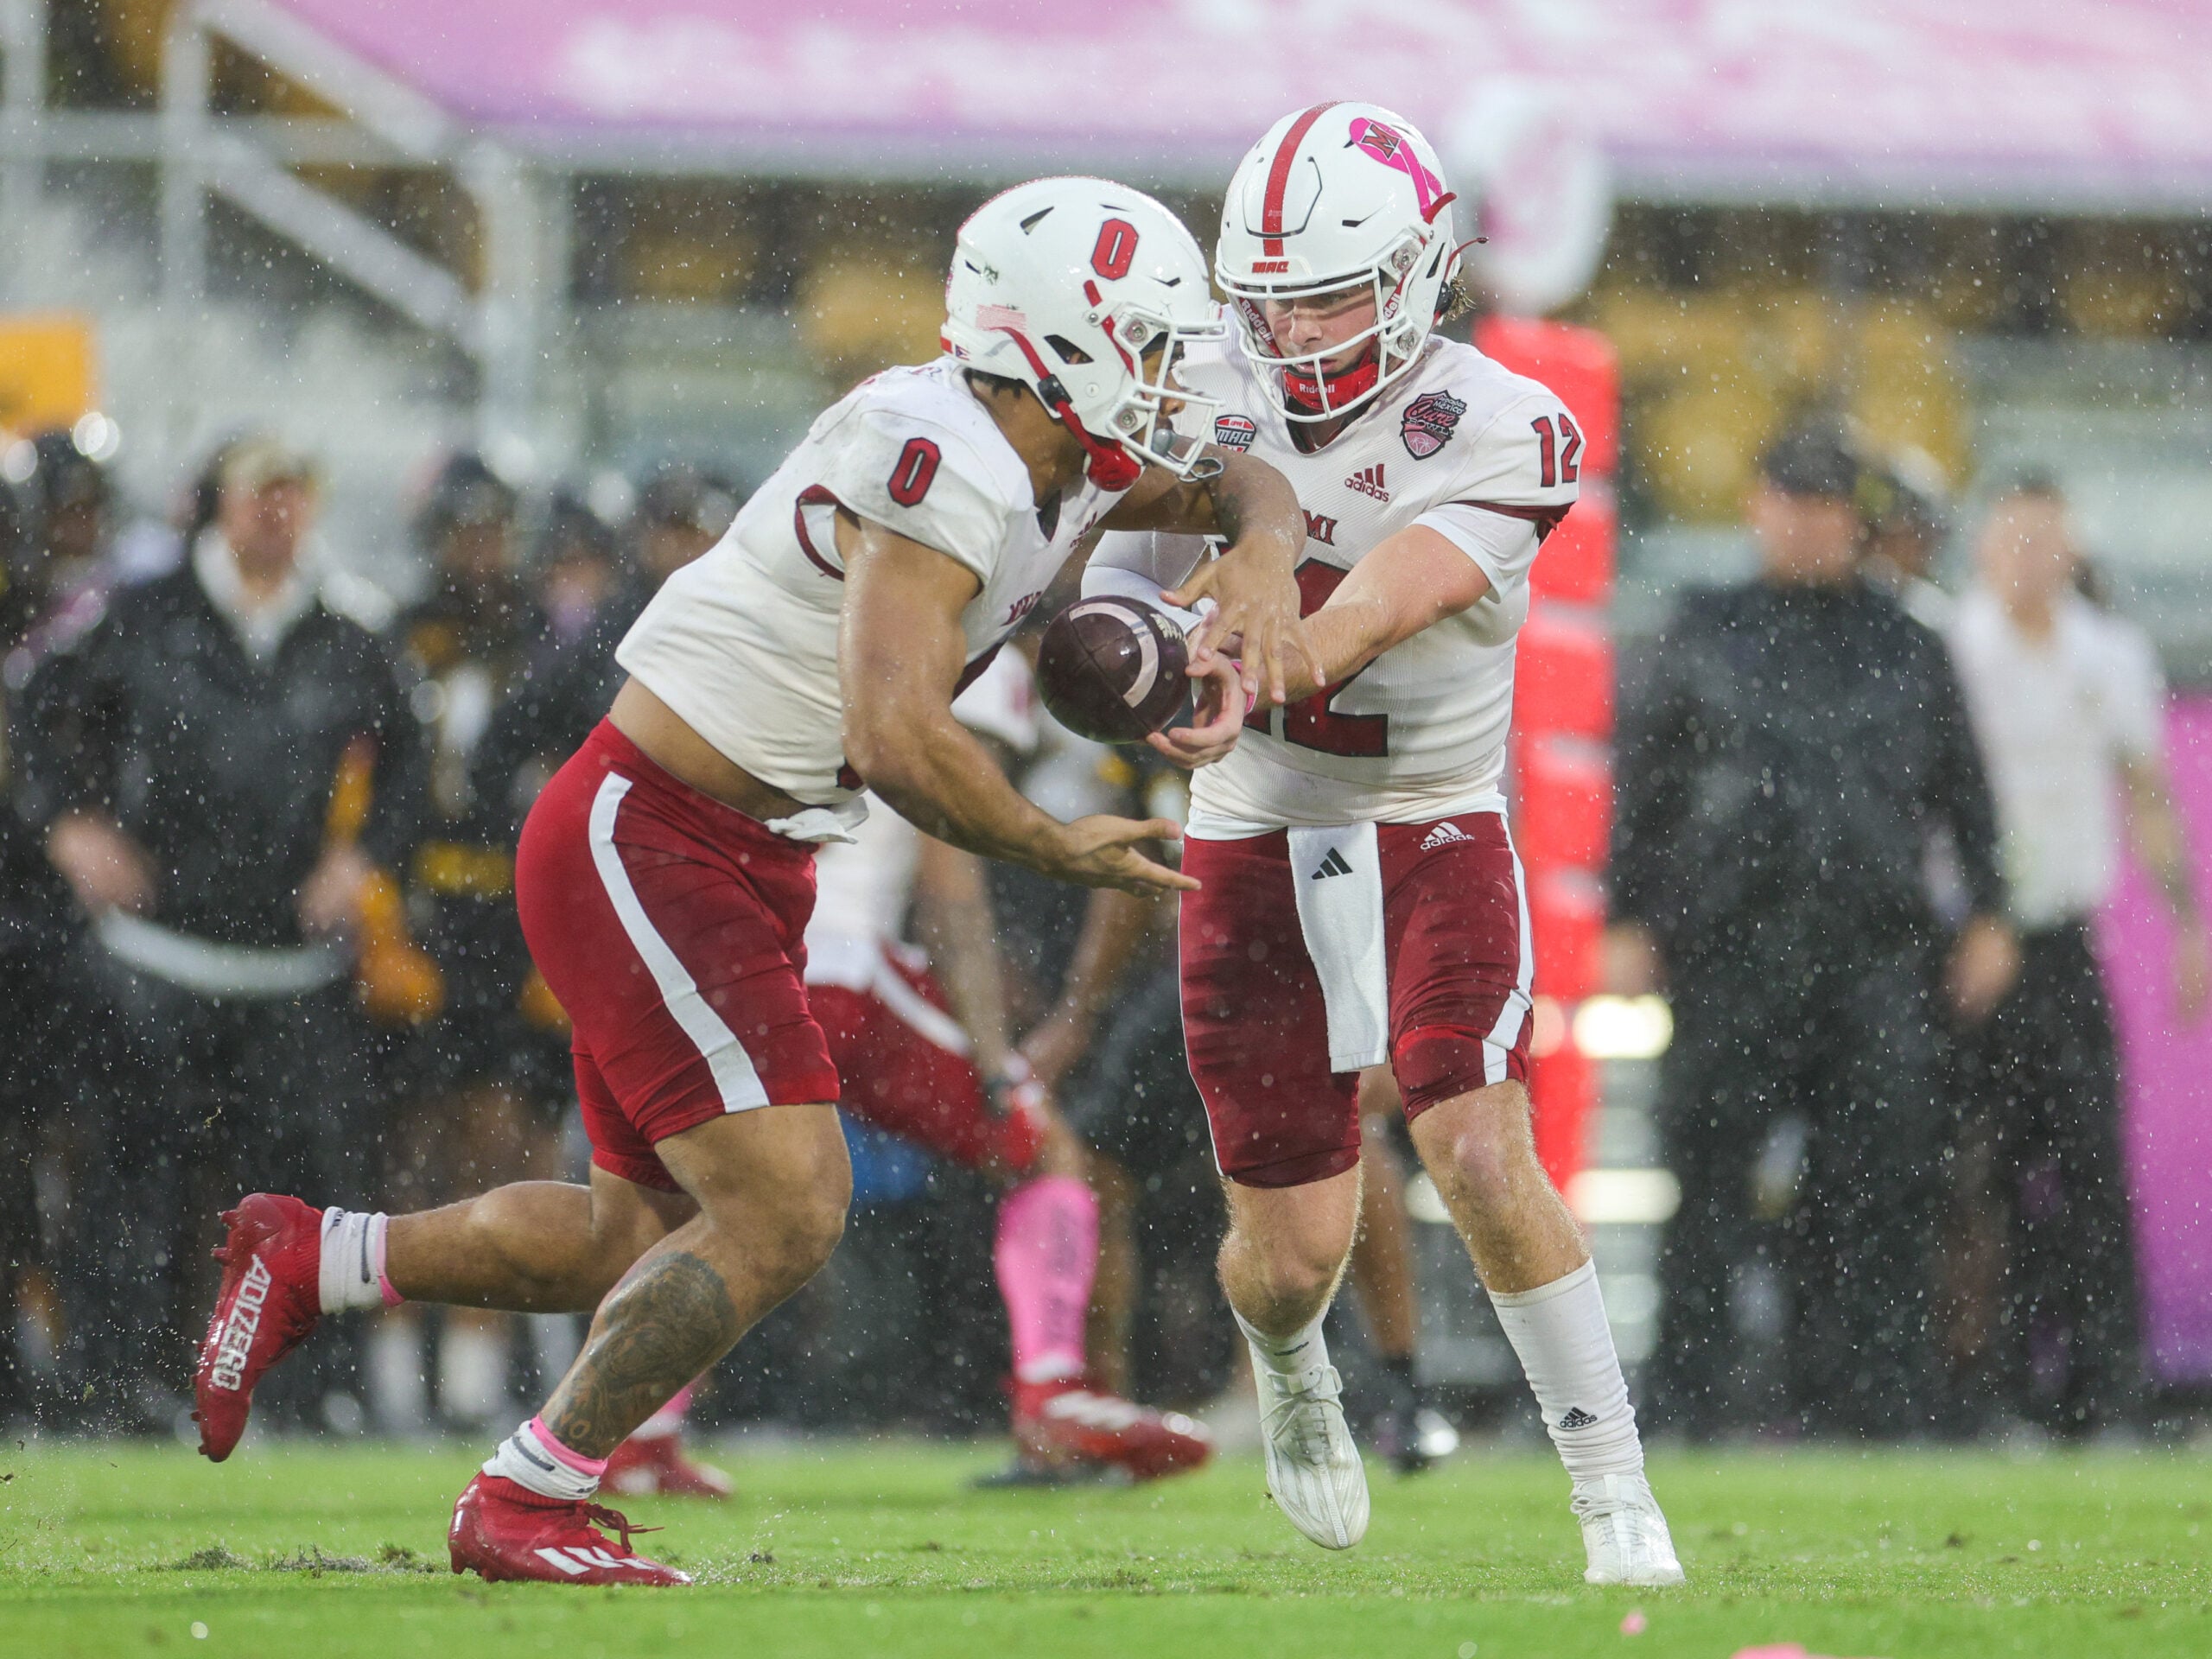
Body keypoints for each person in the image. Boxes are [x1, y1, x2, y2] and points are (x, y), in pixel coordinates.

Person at [191, 175, 1306, 1586]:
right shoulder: (937, 453)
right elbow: (893, 737)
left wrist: (1261, 549)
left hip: (732, 850)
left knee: (626, 1237)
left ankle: (311, 1256)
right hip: (653, 834)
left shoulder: (1055, 453)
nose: (1165, 377)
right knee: (789, 1202)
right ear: (1046, 341)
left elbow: (1233, 476)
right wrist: (1051, 838)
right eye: (1141, 342)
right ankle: (526, 1495)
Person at [1088, 104, 1678, 1582]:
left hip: (1429, 816)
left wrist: (1234, 647)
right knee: (1286, 1261)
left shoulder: (1501, 423)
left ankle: (1614, 1491)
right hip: (1252, 827)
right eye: (1268, 300)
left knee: (1471, 1134)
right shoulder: (1197, 394)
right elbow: (1107, 616)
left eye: (1330, 295)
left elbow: (1362, 619)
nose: (1292, 332)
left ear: (1420, 272)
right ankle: (1291, 1371)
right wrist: (1125, 667)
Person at [1607, 417, 2018, 1444]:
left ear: (1855, 519)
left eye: (1826, 504)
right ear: (1755, 504)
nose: (1806, 522)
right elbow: (1645, 790)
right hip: (1729, 950)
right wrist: (1624, 918)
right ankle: (1688, 1402)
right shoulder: (1699, 627)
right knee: (1705, 1178)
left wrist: (1993, 916)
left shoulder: (1908, 641)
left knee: (1879, 1186)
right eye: (1790, 500)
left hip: (1876, 955)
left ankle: (1870, 1402)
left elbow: (1966, 796)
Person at [12, 436, 422, 1431]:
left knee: (308, 1190)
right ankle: (118, 1387)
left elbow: (413, 760)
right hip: (159, 951)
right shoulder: (136, 614)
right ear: (219, 507)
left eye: (293, 494)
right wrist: (71, 825)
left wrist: (363, 858)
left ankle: (315, 1393)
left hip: (290, 963)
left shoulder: (350, 628)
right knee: (131, 1177)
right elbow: (32, 709)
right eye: (257, 496)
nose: (274, 515)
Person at [804, 651, 1210, 1478]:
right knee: (1045, 1147)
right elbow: (948, 879)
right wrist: (994, 1059)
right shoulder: (962, 655)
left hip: (734, 950)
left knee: (709, 1191)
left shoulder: (827, 627)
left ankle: (637, 1435)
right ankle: (1052, 1396)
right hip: (837, 960)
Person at [1945, 474, 2209, 1434]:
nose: (2030, 560)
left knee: (2090, 1167)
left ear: (2072, 552)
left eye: (2047, 542)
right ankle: (1993, 1388)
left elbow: (2143, 790)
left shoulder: (2106, 653)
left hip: (2060, 939)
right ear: (1984, 548)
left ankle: (2105, 1388)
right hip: (1972, 942)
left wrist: (2186, 924)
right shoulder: (1953, 650)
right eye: (2014, 540)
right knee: (1980, 1172)